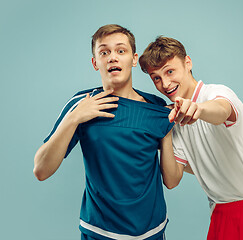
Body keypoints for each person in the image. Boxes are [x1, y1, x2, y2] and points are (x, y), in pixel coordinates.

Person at [33, 25, 175, 240]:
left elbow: (172, 178)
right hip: (99, 232)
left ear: (134, 59)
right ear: (95, 62)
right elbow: (41, 170)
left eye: (120, 51)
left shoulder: (157, 108)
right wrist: (74, 118)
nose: (112, 58)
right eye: (104, 52)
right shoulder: (82, 104)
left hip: (151, 232)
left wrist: (168, 126)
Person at [139, 36, 243, 240]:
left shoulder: (216, 93)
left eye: (170, 71)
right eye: (156, 78)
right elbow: (171, 180)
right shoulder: (176, 121)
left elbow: (222, 110)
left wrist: (198, 108)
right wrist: (165, 131)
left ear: (187, 63)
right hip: (219, 212)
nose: (165, 83)